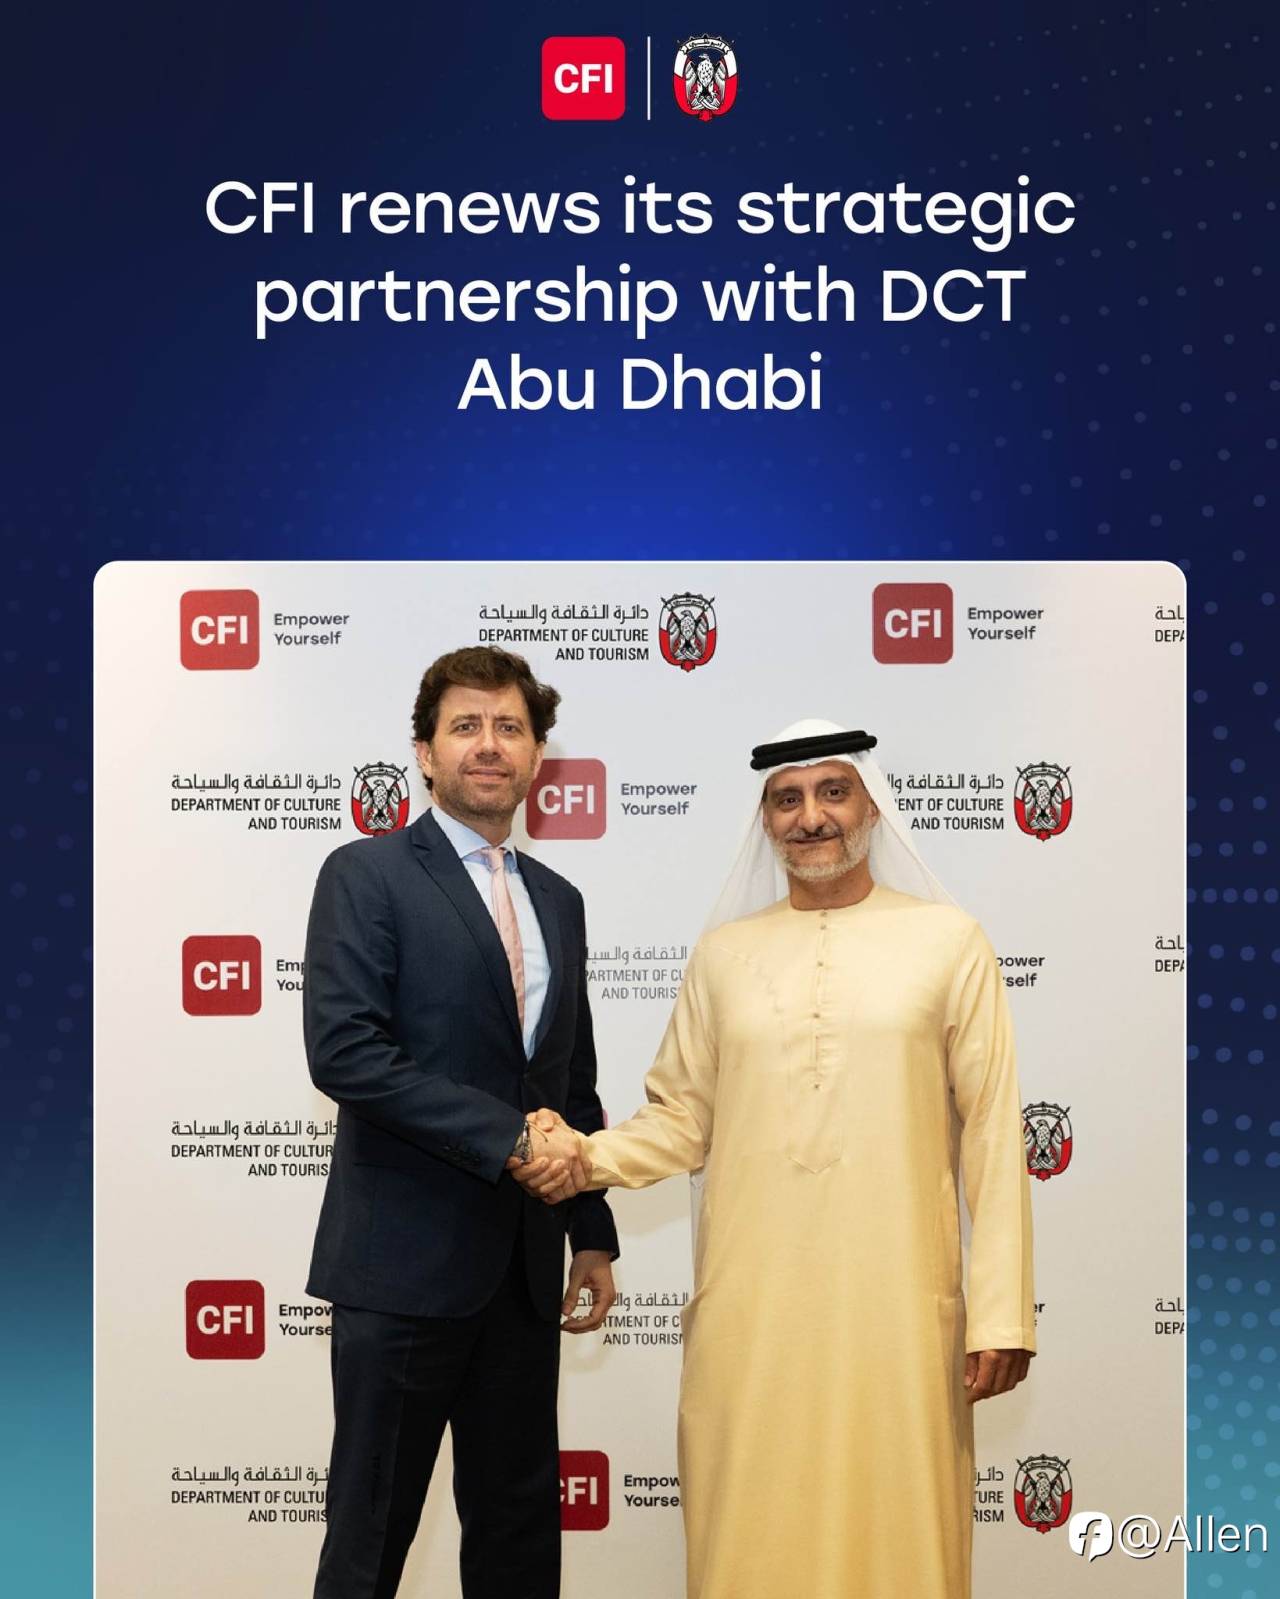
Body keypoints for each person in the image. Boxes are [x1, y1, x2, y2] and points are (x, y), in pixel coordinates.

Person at [513, 719, 1035, 1599]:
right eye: (786, 799)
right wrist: (584, 1155)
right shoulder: (725, 955)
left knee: (901, 1528)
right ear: (765, 820)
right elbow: (683, 1118)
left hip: (899, 1309)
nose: (810, 817)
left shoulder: (950, 941)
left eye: (833, 792)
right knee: (751, 1528)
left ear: (872, 805)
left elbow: (992, 1130)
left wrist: (1001, 1313)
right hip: (754, 1307)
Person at [303, 645, 618, 1599]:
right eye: (466, 726)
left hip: (524, 1273)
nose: (489, 744)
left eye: (510, 727)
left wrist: (592, 1231)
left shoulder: (560, 901)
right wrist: (509, 1138)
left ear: (537, 756)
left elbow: (571, 1080)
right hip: (400, 1270)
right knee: (368, 1547)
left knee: (519, 1542)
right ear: (425, 752)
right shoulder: (366, 873)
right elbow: (346, 1052)